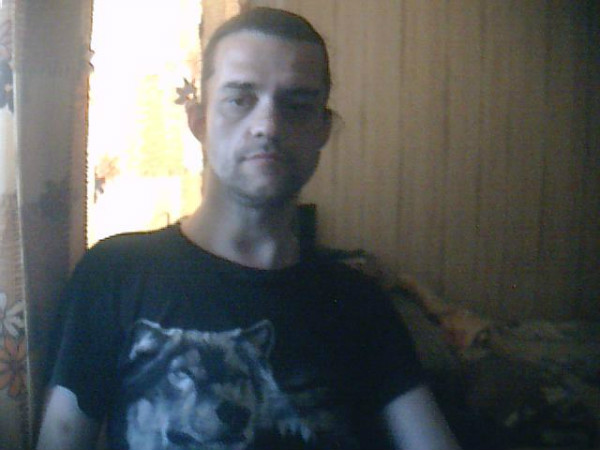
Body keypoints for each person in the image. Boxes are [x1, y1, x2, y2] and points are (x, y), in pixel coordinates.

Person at [36, 7, 462, 450]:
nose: (268, 126)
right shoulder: (114, 274)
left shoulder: (359, 302)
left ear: (323, 129)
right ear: (199, 121)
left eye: (297, 105)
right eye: (240, 100)